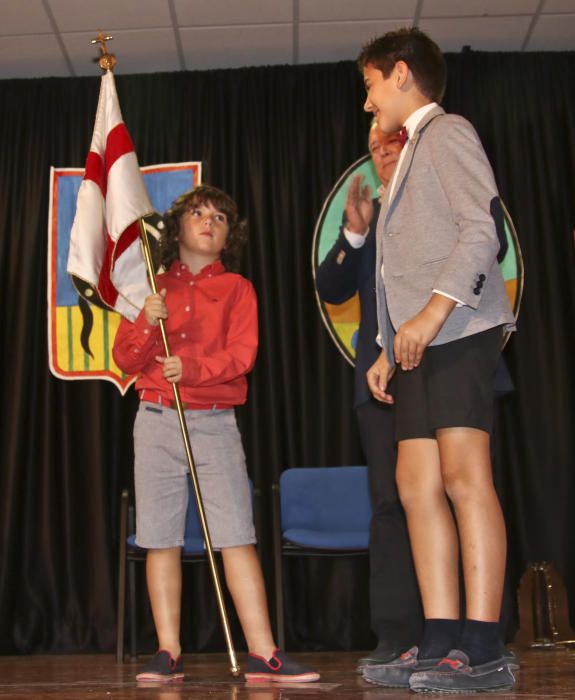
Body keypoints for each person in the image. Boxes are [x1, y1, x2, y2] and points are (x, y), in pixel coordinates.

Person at [357, 28, 517, 693]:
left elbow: (482, 229)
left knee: (461, 477)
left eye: (368, 87)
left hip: (455, 334)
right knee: (414, 486)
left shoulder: (446, 132)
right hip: (414, 348)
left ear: (399, 75)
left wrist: (428, 315)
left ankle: (482, 648)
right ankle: (440, 636)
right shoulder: (407, 154)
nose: (367, 105)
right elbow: (399, 263)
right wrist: (384, 346)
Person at [113, 185, 319, 684]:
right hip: (157, 417)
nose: (209, 222)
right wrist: (146, 319)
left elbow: (242, 357)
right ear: (178, 228)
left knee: (235, 536)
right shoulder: (152, 287)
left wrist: (195, 368)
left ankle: (263, 653)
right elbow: (124, 359)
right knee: (159, 537)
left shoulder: (238, 289)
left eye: (221, 218)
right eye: (199, 214)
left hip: (215, 421)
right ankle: (168, 652)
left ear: (229, 237)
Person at [316, 122, 424, 672]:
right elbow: (330, 289)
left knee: (453, 498)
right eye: (375, 151)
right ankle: (397, 632)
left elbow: (488, 244)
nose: (382, 157)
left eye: (393, 147)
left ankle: (475, 631)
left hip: (441, 370)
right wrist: (355, 235)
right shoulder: (370, 218)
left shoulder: (439, 191)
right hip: (378, 386)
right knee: (389, 506)